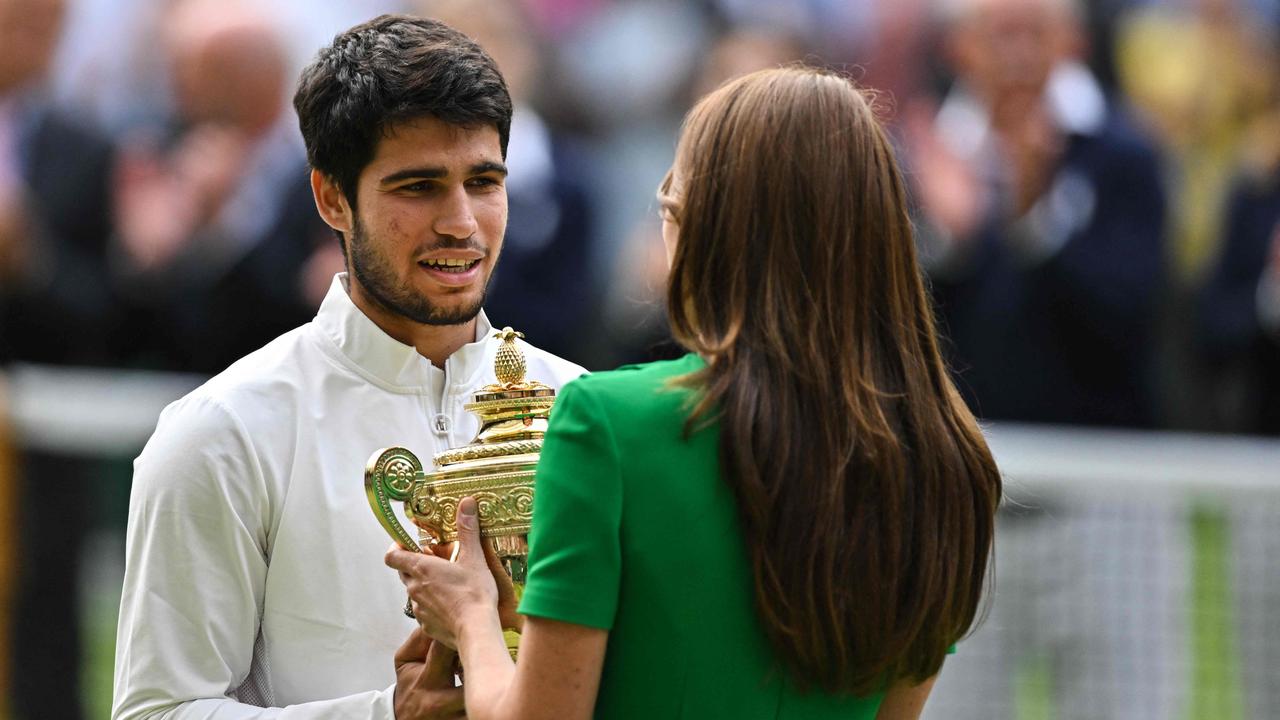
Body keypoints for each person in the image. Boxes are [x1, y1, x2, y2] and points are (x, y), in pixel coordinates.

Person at [387, 67, 1002, 719]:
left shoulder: (608, 422)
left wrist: (474, 616)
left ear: (701, 228)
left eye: (671, 206)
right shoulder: (949, 462)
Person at [112, 15, 585, 719]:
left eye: (483, 182)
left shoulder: (583, 410)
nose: (461, 221)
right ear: (331, 197)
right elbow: (158, 711)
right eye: (419, 187)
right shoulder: (224, 432)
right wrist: (380, 715)